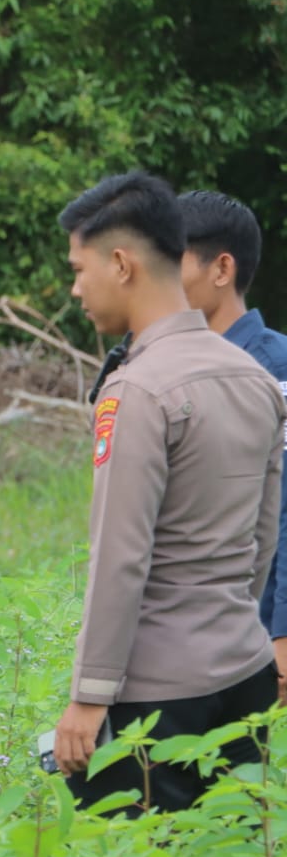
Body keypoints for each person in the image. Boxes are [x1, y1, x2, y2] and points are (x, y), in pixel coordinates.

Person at [53, 172, 284, 814]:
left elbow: (120, 558)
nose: (76, 288)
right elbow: (261, 539)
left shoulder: (138, 390)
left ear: (121, 264)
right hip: (245, 674)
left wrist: (88, 696)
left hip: (156, 700)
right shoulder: (256, 378)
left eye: (80, 269)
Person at [176, 190, 287, 698]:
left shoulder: (277, 370)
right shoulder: (170, 369)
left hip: (256, 638)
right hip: (186, 645)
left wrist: (283, 635)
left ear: (222, 269)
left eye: (170, 261)